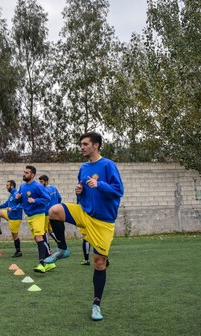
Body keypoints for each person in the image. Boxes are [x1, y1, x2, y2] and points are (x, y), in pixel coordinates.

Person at [47, 132, 124, 321]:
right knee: (54, 211)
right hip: (84, 212)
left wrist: (100, 185)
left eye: (85, 144)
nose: (81, 147)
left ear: (96, 145)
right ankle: (63, 249)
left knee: (99, 262)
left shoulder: (108, 165)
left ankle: (96, 305)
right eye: (80, 144)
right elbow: (83, 196)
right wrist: (79, 192)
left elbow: (118, 191)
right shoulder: (83, 168)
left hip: (103, 222)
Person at [15, 165, 55, 273]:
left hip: (39, 215)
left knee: (39, 237)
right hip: (30, 216)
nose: (24, 174)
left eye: (27, 173)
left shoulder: (38, 186)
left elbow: (47, 199)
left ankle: (41, 264)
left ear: (32, 175)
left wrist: (35, 201)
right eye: (24, 172)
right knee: (38, 239)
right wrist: (17, 198)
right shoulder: (22, 187)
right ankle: (50, 263)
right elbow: (21, 201)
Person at [0, 180, 23, 258]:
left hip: (15, 218)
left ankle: (18, 252)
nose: (6, 187)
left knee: (15, 236)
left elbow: (22, 205)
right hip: (9, 214)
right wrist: (0, 206)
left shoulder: (16, 194)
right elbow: (7, 203)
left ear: (12, 186)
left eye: (7, 185)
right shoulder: (11, 194)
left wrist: (13, 209)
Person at [38, 175, 64, 261]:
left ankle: (48, 249)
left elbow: (44, 201)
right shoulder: (54, 188)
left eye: (41, 182)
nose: (40, 184)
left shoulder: (45, 190)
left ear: (46, 181)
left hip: (46, 213)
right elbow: (60, 198)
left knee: (44, 231)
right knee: (51, 230)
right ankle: (60, 244)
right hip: (55, 213)